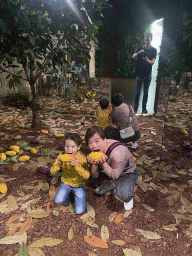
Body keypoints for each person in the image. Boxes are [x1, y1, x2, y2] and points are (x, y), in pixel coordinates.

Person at [85, 126, 139, 211]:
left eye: (97, 141)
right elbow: (94, 175)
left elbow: (115, 175)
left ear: (104, 139)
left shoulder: (118, 153)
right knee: (90, 176)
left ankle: (128, 197)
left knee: (122, 195)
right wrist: (94, 165)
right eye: (90, 142)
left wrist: (102, 163)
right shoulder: (96, 150)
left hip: (127, 172)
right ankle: (108, 184)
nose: (93, 145)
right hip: (110, 167)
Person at [50, 133, 90, 214]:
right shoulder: (61, 155)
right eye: (66, 146)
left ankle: (75, 195)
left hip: (79, 185)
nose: (69, 150)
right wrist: (58, 164)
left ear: (78, 147)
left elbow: (87, 176)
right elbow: (52, 171)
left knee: (79, 211)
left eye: (73, 147)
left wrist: (77, 166)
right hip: (66, 183)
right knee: (58, 200)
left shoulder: (82, 158)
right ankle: (68, 197)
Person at [132, 32, 157, 113]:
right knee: (137, 91)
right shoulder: (139, 47)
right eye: (146, 37)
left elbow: (153, 62)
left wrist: (147, 60)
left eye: (149, 38)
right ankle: (135, 108)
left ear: (151, 39)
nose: (147, 39)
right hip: (139, 73)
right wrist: (138, 52)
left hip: (148, 74)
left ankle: (144, 108)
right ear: (145, 38)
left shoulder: (154, 50)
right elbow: (133, 56)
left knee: (146, 92)